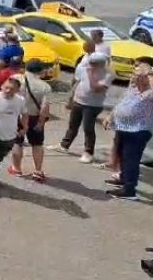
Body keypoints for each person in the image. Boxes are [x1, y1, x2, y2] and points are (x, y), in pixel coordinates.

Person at [101, 62, 153, 200]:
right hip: (122, 127)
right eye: (133, 73)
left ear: (147, 76)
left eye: (138, 75)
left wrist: (150, 81)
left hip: (138, 131)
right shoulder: (133, 88)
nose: (134, 77)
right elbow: (121, 103)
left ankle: (130, 190)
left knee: (131, 159)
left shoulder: (150, 92)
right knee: (121, 155)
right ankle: (123, 178)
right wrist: (110, 116)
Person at [53, 52, 112, 164]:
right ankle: (64, 145)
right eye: (91, 63)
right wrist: (71, 99)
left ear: (101, 65)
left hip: (92, 105)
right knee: (72, 125)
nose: (91, 66)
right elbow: (78, 83)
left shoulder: (106, 75)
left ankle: (88, 152)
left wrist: (90, 74)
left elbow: (96, 88)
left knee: (88, 129)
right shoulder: (85, 69)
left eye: (94, 64)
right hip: (78, 101)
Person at [9, 60, 52, 181]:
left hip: (18, 116)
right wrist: (41, 122)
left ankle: (16, 168)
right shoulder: (45, 86)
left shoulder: (16, 78)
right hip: (34, 117)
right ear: (40, 71)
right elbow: (45, 107)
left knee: (18, 142)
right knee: (37, 144)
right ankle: (38, 170)